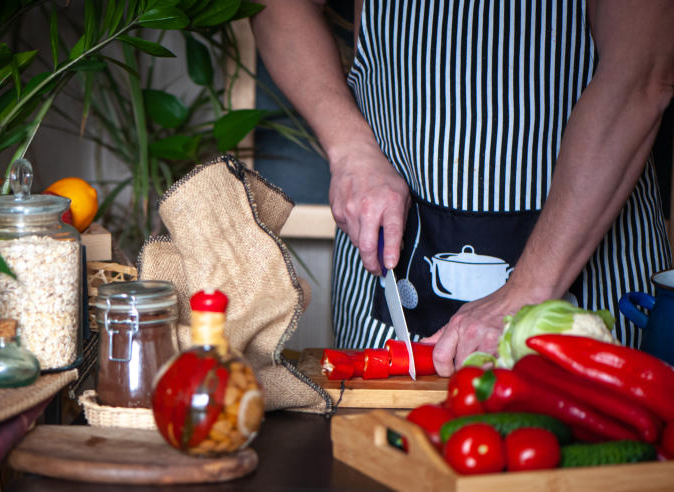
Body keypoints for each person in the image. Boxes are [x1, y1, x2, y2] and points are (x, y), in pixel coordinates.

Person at [252, 0, 674, 376]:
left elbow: (638, 74)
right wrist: (349, 148)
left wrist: (526, 291)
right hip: (389, 270)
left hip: (590, 278)